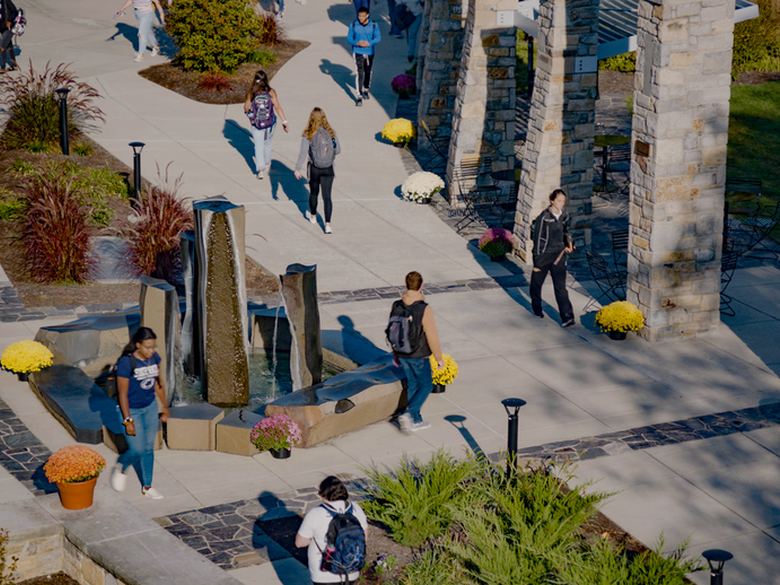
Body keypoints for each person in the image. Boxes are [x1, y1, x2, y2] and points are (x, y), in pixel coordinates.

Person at [110, 327, 169, 499]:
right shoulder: (126, 363)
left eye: (153, 347)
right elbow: (122, 394)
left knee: (149, 448)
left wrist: (165, 407)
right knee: (136, 449)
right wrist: (128, 421)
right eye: (147, 347)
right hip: (132, 410)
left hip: (149, 407)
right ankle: (121, 467)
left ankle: (148, 487)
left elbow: (158, 385)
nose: (151, 351)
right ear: (138, 345)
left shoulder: (154, 359)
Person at [391, 271, 443, 432]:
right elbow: (431, 335)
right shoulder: (424, 308)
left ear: (406, 285)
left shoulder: (396, 305)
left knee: (413, 383)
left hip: (402, 352)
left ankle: (416, 420)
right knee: (427, 384)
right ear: (421, 286)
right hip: (418, 353)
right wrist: (439, 357)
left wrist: (395, 353)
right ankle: (409, 413)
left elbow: (393, 330)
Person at [296, 476, 368, 585]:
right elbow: (364, 537)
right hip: (351, 569)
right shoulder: (355, 508)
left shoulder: (315, 513)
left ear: (322, 493)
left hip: (324, 573)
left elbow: (300, 543)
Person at [529, 188, 576, 327]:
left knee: (561, 287)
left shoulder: (565, 215)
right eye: (559, 201)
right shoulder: (544, 217)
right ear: (552, 201)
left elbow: (567, 232)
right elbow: (536, 239)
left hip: (558, 255)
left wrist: (569, 245)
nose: (561, 204)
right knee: (536, 285)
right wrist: (537, 258)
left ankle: (567, 316)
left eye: (563, 201)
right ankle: (537, 309)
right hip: (544, 256)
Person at [294, 108, 341, 234]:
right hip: (328, 169)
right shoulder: (331, 133)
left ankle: (313, 216)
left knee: (314, 193)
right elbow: (338, 150)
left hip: (315, 168)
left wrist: (297, 169)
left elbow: (303, 153)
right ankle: (327, 225)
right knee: (327, 197)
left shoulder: (308, 134)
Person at [244, 69, 289, 180]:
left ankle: (260, 170)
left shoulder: (252, 92)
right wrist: (284, 121)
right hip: (270, 123)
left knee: (258, 146)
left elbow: (246, 107)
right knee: (268, 143)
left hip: (257, 124)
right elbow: (277, 107)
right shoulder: (271, 92)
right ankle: (267, 162)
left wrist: (249, 114)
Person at [346, 7, 381, 106]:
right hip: (357, 51)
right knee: (359, 73)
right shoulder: (353, 25)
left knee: (368, 72)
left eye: (362, 16)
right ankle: (359, 96)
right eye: (359, 16)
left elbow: (378, 37)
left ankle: (366, 89)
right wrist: (357, 43)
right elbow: (349, 38)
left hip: (369, 52)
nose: (360, 18)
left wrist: (369, 43)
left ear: (367, 15)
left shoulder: (374, 25)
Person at [0, 0, 19, 73]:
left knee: (2, 46)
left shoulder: (6, 1)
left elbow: (15, 11)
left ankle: (2, 67)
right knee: (9, 47)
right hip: (2, 29)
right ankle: (14, 65)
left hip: (9, 28)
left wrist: (10, 20)